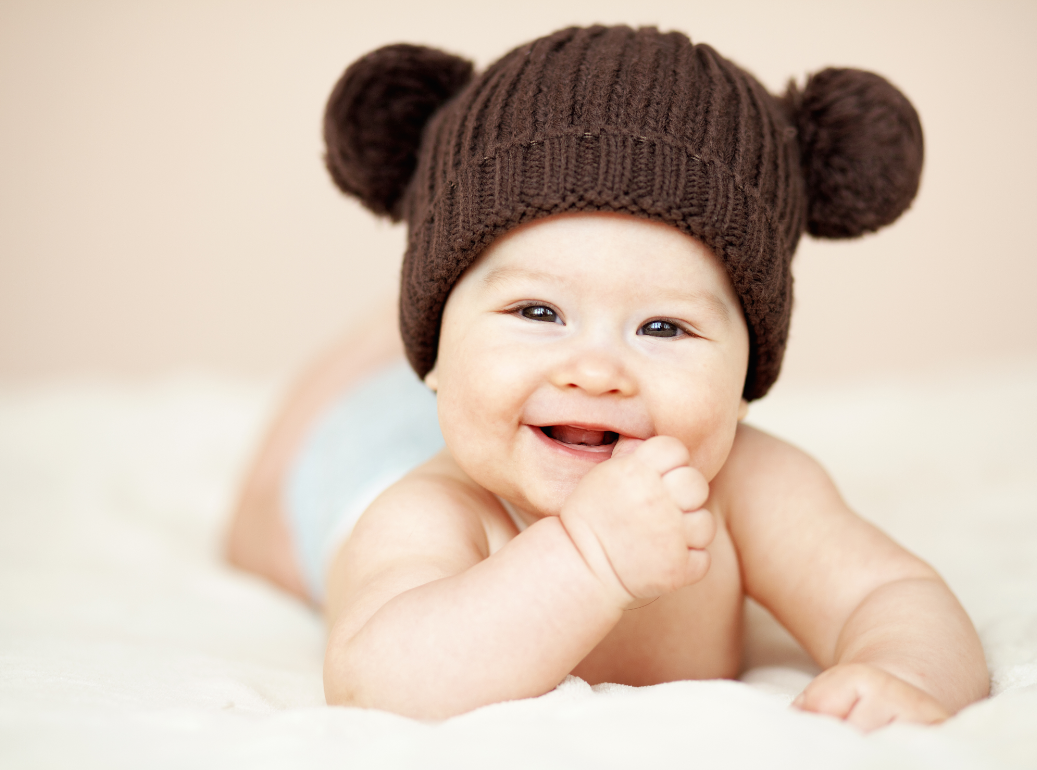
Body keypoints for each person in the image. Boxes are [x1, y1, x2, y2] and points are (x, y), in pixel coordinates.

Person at [226, 25, 989, 726]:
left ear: (746, 378)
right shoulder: (431, 515)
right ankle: (365, 355)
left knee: (500, 375)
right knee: (275, 523)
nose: (595, 372)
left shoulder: (750, 489)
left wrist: (903, 669)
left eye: (662, 327)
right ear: (435, 352)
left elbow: (893, 593)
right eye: (537, 310)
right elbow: (378, 684)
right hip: (361, 465)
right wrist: (590, 558)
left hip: (498, 396)